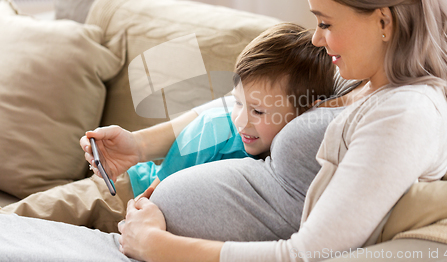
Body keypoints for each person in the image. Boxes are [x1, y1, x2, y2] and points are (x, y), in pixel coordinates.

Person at [0, 0, 447, 261]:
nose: (317, 39)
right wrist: (140, 144)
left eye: (326, 23)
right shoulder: (366, 82)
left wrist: (161, 247)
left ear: (383, 21)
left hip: (159, 247)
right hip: (143, 225)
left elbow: (305, 254)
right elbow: (236, 105)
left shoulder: (405, 114)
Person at [0, 22, 337, 233]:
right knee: (28, 216)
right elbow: (157, 194)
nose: (242, 120)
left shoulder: (300, 145)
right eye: (238, 103)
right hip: (132, 189)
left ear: (303, 113)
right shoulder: (216, 130)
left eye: (259, 111)